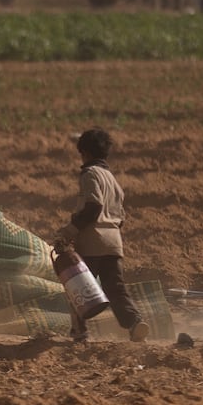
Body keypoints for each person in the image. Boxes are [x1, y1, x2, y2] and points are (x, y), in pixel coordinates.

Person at [57, 128, 149, 343]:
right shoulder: (112, 179)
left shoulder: (90, 174)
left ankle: (80, 332)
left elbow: (93, 207)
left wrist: (70, 231)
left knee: (77, 286)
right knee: (115, 288)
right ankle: (135, 324)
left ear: (85, 152)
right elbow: (121, 216)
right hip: (114, 243)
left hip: (93, 242)